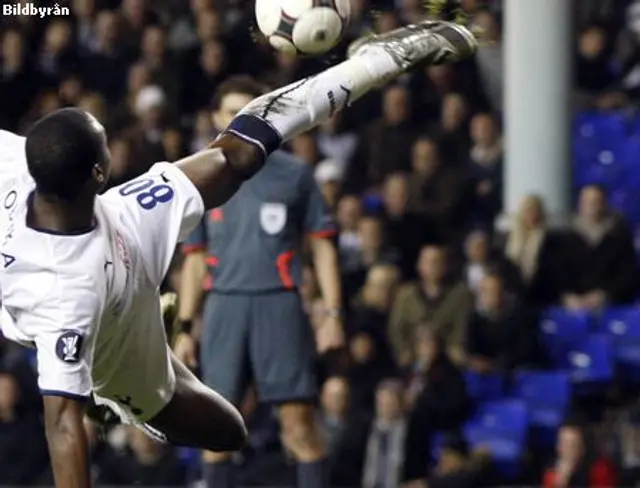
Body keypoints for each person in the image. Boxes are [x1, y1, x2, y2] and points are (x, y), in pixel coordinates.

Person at [0, 19, 477, 488]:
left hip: (120, 225)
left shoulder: (17, 163)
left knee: (237, 154)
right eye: (102, 136)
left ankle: (378, 58)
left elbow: (248, 137)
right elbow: (63, 426)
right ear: (99, 172)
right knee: (228, 433)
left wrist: (371, 67)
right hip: (113, 346)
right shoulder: (67, 301)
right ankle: (128, 401)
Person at [175, 75, 344, 488]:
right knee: (216, 428)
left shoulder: (295, 174)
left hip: (279, 304)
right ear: (215, 117)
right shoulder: (198, 176)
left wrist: (333, 313)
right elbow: (195, 262)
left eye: (247, 110)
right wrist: (184, 326)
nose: (238, 118)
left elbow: (322, 247)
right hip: (224, 307)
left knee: (299, 425)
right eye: (230, 111)